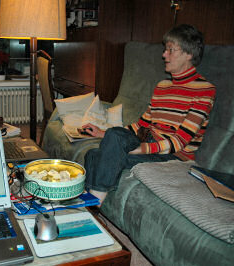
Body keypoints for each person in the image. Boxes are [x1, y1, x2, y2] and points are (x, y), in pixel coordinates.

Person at [82, 24, 216, 207]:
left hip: (174, 156)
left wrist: (140, 149)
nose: (164, 55)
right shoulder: (162, 86)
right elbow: (140, 126)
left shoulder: (204, 90)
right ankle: (94, 202)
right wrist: (102, 133)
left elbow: (180, 141)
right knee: (96, 151)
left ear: (189, 54)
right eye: (165, 50)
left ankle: (94, 203)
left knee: (97, 156)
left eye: (170, 50)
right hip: (149, 144)